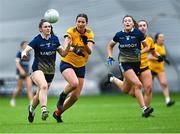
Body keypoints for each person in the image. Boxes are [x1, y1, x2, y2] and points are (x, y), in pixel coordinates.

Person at [21, 19, 70, 123]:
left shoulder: (55, 39)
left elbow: (63, 54)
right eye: (46, 27)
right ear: (40, 29)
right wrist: (24, 53)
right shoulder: (37, 40)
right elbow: (27, 49)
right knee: (43, 86)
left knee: (39, 94)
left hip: (50, 71)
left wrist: (69, 46)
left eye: (49, 27)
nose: (48, 28)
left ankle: (31, 109)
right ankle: (44, 110)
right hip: (37, 69)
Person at [104, 15, 153, 117]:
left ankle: (112, 79)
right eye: (125, 21)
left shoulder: (138, 33)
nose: (127, 22)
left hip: (136, 64)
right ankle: (144, 109)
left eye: (129, 21)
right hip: (124, 63)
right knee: (138, 85)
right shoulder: (119, 35)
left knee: (126, 89)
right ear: (123, 23)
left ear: (132, 23)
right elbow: (110, 45)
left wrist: (140, 51)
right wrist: (109, 56)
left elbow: (147, 47)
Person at [53, 13, 95, 123]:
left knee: (75, 97)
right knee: (74, 83)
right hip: (67, 63)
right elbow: (66, 43)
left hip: (81, 66)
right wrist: (72, 47)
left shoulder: (89, 33)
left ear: (86, 23)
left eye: (83, 22)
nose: (80, 24)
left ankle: (58, 113)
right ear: (76, 22)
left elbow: (90, 51)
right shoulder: (71, 31)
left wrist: (85, 44)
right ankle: (62, 96)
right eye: (79, 21)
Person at [138, 20, 163, 107]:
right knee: (129, 90)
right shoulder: (133, 39)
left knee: (148, 88)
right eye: (140, 25)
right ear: (137, 28)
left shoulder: (149, 40)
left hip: (145, 67)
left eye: (144, 25)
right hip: (132, 68)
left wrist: (158, 56)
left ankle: (146, 110)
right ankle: (113, 79)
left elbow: (153, 52)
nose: (142, 27)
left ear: (147, 28)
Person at [148, 33, 175, 107]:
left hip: (160, 69)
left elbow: (162, 55)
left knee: (164, 83)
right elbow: (149, 57)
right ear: (157, 39)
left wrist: (165, 59)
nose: (163, 38)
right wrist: (158, 58)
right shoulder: (154, 46)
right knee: (149, 87)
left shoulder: (162, 46)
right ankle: (147, 106)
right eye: (161, 37)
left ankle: (168, 100)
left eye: (163, 37)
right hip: (152, 68)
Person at [10, 41, 33, 107]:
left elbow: (28, 64)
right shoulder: (19, 53)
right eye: (25, 44)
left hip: (27, 72)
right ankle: (13, 99)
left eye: (27, 44)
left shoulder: (29, 54)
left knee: (29, 87)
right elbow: (17, 63)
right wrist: (21, 70)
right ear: (22, 46)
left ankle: (31, 102)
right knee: (19, 88)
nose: (27, 46)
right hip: (20, 73)